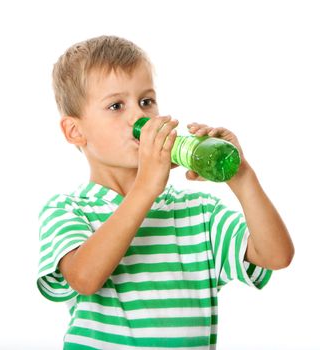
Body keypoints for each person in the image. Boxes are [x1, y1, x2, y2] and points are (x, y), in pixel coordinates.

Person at [37, 35, 294, 350]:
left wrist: (242, 177)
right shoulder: (69, 209)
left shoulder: (199, 211)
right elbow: (84, 278)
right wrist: (146, 188)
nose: (139, 117)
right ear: (75, 131)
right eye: (116, 105)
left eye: (146, 101)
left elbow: (276, 256)